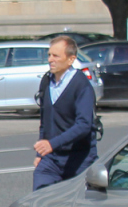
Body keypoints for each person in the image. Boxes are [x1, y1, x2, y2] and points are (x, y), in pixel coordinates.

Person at [32, 35, 97, 191]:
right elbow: (45, 121)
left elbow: (84, 125)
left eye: (56, 56)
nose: (50, 60)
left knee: (78, 206)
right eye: (49, 55)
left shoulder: (81, 85)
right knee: (41, 199)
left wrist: (51, 144)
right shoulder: (46, 81)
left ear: (71, 59)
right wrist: (41, 152)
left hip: (79, 158)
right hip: (52, 159)